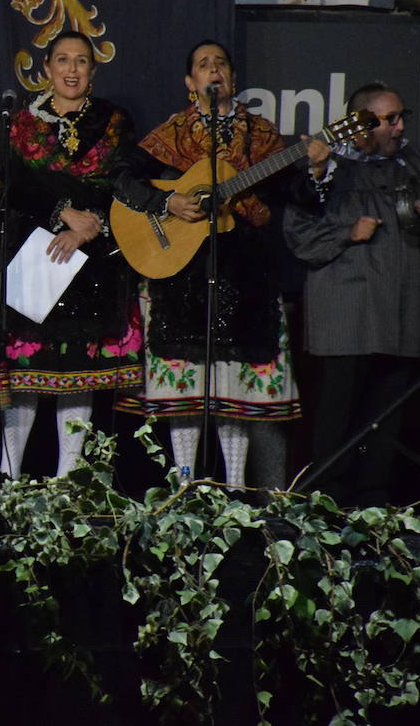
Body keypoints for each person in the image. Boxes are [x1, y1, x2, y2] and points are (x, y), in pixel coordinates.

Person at [112, 39, 327, 488]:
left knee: (236, 390)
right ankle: (185, 483)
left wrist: (317, 170)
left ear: (232, 78)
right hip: (182, 278)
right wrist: (168, 202)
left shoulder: (264, 136)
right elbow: (121, 179)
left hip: (247, 277)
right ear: (191, 83)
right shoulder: (169, 134)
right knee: (187, 390)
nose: (214, 70)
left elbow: (300, 198)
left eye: (221, 63)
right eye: (203, 65)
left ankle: (234, 488)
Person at [284, 82, 420, 506]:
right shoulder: (326, 167)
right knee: (338, 412)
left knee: (386, 417)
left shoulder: (417, 164)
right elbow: (299, 235)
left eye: (401, 116)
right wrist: (347, 233)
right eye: (388, 120)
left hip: (403, 308)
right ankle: (325, 503)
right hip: (346, 310)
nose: (399, 127)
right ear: (359, 125)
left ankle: (374, 502)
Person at [1, 31, 143, 478]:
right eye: (62, 60)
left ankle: (66, 482)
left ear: (93, 71)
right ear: (47, 69)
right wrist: (63, 214)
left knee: (76, 374)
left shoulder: (114, 120)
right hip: (36, 253)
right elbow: (18, 189)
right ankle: (9, 477)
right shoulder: (23, 122)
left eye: (81, 61)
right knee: (26, 373)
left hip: (92, 261)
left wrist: (87, 227)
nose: (72, 69)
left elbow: (120, 181)